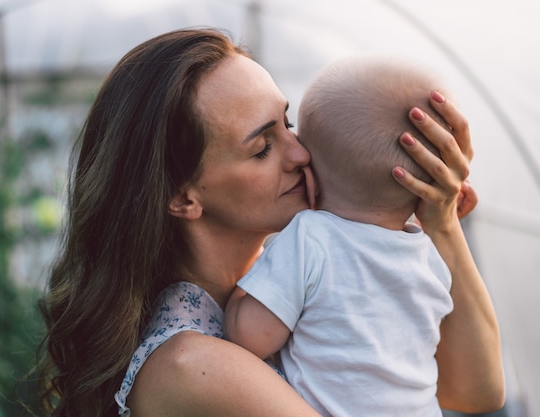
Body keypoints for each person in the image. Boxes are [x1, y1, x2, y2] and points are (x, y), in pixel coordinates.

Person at [35, 28, 505, 417]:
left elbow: (477, 392)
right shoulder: (191, 363)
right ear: (182, 197)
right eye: (262, 148)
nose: (301, 154)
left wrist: (439, 221)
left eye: (289, 124)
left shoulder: (305, 276)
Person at [223, 57, 486, 416]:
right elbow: (476, 390)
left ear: (312, 165)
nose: (296, 152)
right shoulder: (431, 256)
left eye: (293, 128)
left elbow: (251, 336)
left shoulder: (310, 238)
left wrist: (242, 285)